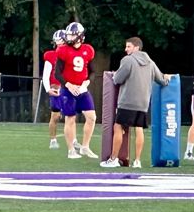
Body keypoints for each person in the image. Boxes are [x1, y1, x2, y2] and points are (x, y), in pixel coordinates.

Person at [101, 36, 169, 168]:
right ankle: (137, 161)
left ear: (137, 47)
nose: (126, 49)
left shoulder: (128, 60)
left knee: (118, 127)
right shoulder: (151, 62)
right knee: (138, 129)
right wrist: (167, 79)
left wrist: (115, 75)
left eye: (128, 46)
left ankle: (113, 159)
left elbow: (117, 79)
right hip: (143, 102)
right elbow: (161, 80)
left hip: (127, 101)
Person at [54, 21, 97, 159]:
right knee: (70, 118)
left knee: (92, 117)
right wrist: (68, 85)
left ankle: (85, 147)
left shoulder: (88, 50)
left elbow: (92, 71)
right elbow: (57, 73)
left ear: (79, 36)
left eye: (72, 35)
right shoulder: (63, 50)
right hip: (68, 89)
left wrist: (86, 83)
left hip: (82, 89)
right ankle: (71, 150)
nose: (69, 38)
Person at [41, 29, 67, 149]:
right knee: (55, 116)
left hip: (68, 88)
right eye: (57, 42)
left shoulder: (71, 55)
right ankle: (53, 140)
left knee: (71, 116)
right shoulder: (51, 56)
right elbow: (46, 75)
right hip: (56, 88)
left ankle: (73, 140)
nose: (59, 45)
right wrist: (47, 89)